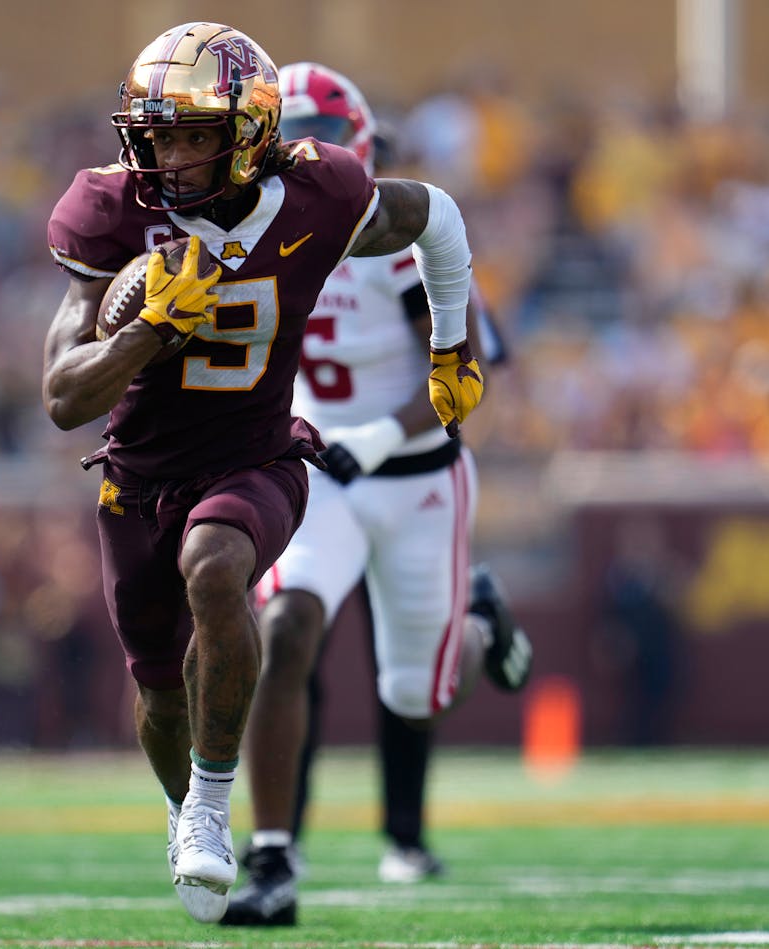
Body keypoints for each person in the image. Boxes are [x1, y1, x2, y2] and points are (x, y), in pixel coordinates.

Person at [41, 23, 485, 924]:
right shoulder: (113, 211)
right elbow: (61, 397)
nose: (169, 153)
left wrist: (452, 347)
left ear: (247, 132)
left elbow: (436, 216)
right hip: (137, 475)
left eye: (194, 132)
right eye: (157, 132)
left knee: (220, 569)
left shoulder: (315, 195)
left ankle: (219, 804)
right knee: (160, 691)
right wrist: (143, 335)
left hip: (257, 454)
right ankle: (186, 808)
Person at [219, 62, 534, 927]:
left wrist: (382, 433)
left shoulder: (398, 230)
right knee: (285, 627)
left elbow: (468, 369)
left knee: (415, 694)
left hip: (418, 473)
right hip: (318, 473)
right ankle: (273, 855)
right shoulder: (242, 228)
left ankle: (479, 621)